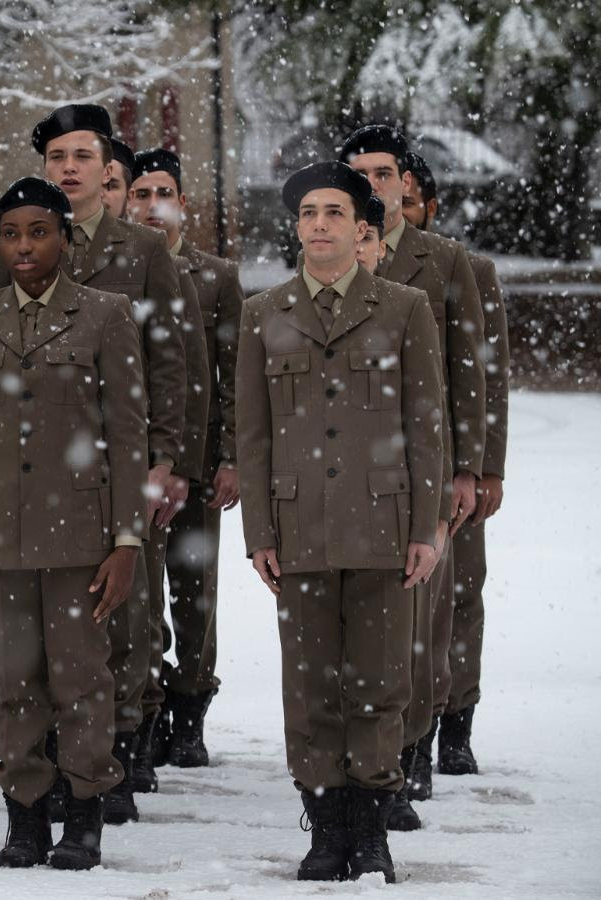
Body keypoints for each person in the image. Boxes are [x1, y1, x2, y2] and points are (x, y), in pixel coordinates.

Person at [0, 104, 192, 824]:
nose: (67, 167)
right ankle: (51, 770)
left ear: (109, 169)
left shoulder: (143, 251)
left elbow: (169, 362)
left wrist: (167, 457)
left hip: (118, 463)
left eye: (81, 156)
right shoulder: (16, 239)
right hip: (32, 471)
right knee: (37, 641)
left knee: (124, 616)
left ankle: (117, 757)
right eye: (56, 157)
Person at [238, 160, 444, 883]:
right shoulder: (263, 313)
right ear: (295, 227)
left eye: (333, 213)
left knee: (381, 680)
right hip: (299, 527)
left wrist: (428, 526)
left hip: (384, 523)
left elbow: (426, 425)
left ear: (363, 229)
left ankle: (372, 829)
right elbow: (254, 435)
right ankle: (325, 829)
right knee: (311, 685)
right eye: (307, 214)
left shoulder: (402, 308)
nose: (318, 225)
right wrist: (259, 532)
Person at [0, 176, 146, 870]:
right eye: (10, 234)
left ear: (64, 236)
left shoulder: (105, 314)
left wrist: (126, 539)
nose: (23, 246)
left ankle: (84, 814)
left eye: (38, 231)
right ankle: (24, 815)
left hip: (80, 533)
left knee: (81, 675)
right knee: (12, 676)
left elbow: (127, 435)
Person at [340, 124, 486, 829]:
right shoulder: (327, 251)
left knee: (422, 616)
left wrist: (470, 468)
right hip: (344, 471)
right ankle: (364, 754)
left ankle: (412, 745)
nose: (370, 183)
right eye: (357, 172)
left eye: (381, 172)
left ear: (405, 183)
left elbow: (469, 372)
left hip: (424, 464)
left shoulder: (443, 261)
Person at [125, 147, 241, 772]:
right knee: (138, 594)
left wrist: (229, 457)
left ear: (182, 202)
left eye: (160, 193)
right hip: (136, 460)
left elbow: (231, 377)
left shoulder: (214, 276)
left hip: (195, 462)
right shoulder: (119, 271)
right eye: (139, 193)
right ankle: (145, 708)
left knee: (193, 591)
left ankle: (191, 708)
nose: (149, 205)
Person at [399, 151, 510, 779]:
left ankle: (456, 721)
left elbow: (485, 373)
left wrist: (485, 465)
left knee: (462, 592)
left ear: (430, 209)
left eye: (412, 202)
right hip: (396, 461)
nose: (402, 213)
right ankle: (413, 720)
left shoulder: (466, 269)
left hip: (454, 464)